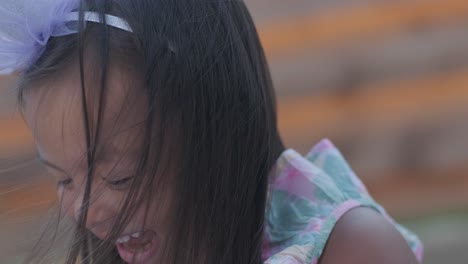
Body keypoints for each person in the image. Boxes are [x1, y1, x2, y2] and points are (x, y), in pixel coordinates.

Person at [0, 0, 423, 263]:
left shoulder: (351, 249)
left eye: (120, 177)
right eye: (63, 179)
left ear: (220, 131)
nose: (86, 211)